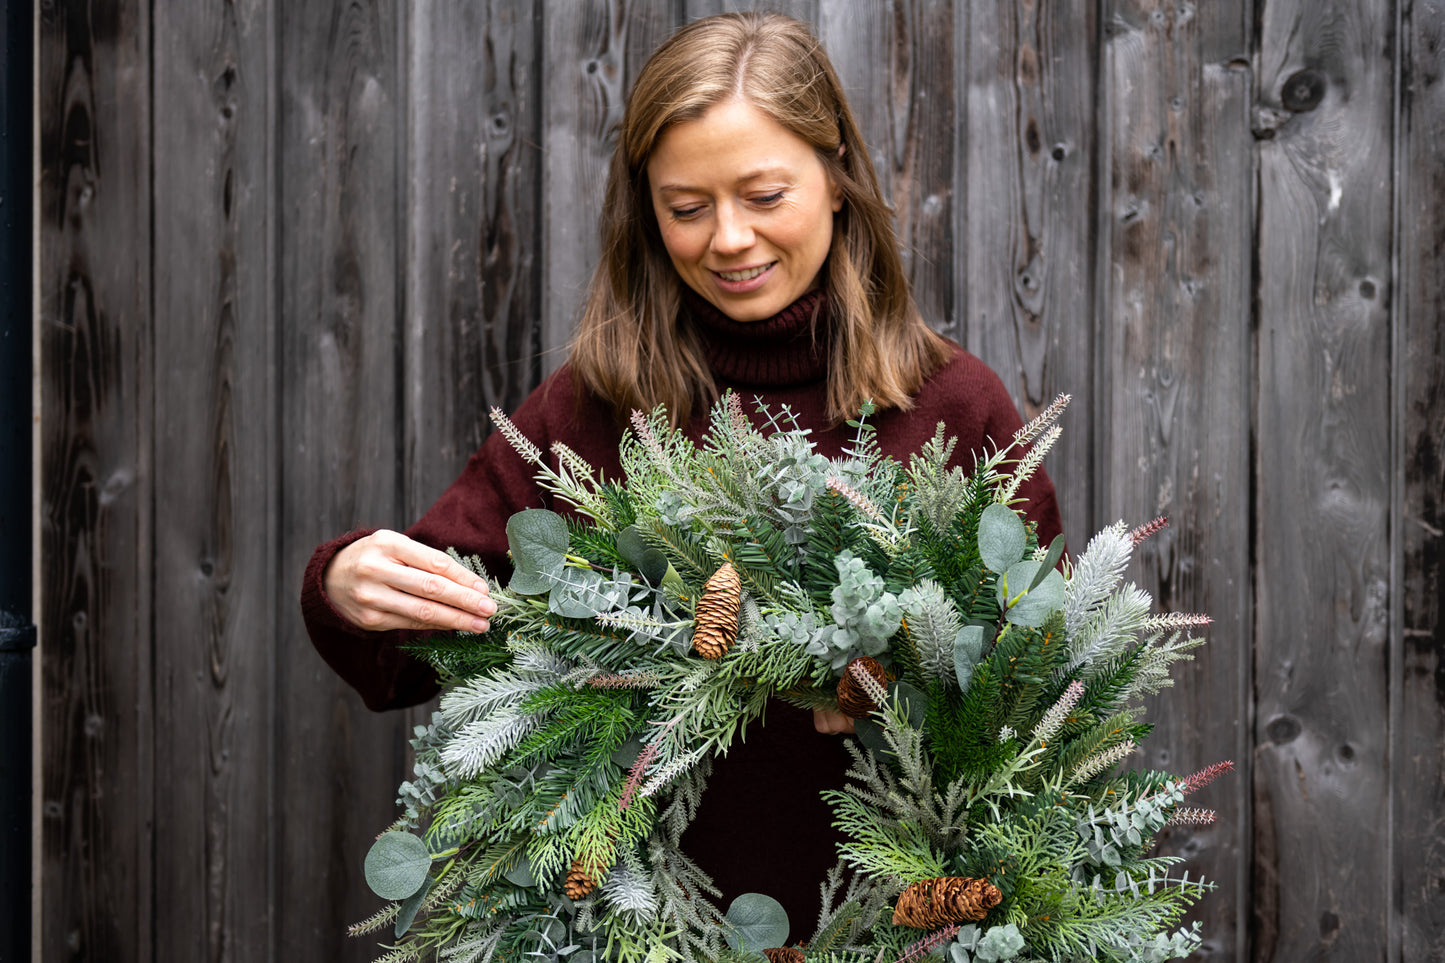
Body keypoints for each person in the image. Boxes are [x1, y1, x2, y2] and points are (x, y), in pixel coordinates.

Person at [302, 11, 1062, 933]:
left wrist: (911, 680)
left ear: (835, 181)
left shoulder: (954, 407)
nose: (729, 239)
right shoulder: (594, 409)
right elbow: (429, 630)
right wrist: (347, 584)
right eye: (687, 208)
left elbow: (1049, 684)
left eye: (764, 195)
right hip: (636, 932)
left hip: (904, 928)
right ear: (648, 213)